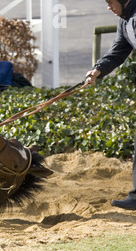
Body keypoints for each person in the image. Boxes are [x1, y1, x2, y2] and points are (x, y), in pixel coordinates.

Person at [86, 0, 136, 209]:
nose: (108, 7)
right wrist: (98, 69)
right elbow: (119, 50)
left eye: (109, 1)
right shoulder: (125, 21)